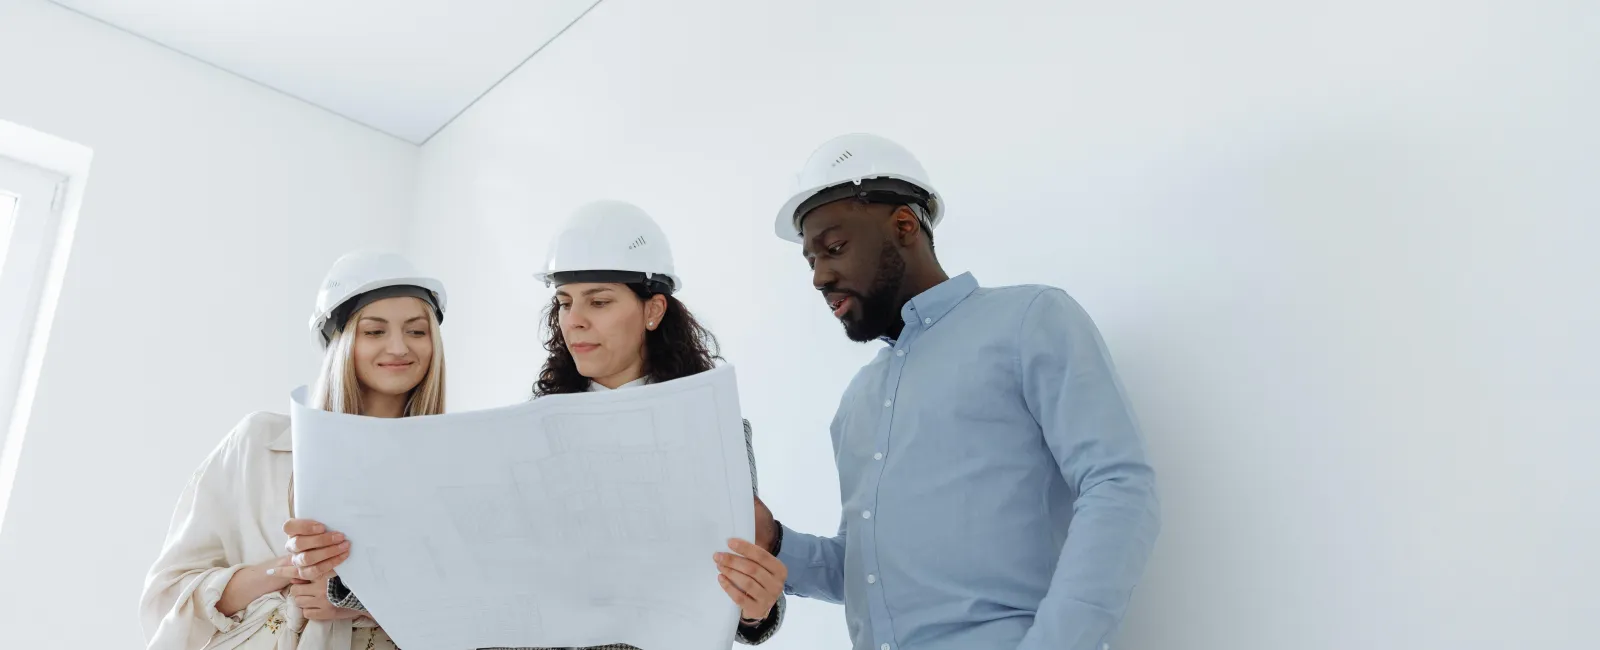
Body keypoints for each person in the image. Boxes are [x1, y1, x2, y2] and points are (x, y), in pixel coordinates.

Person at [289, 200, 786, 649]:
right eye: (566, 302)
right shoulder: (527, 433)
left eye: (599, 300)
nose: (575, 321)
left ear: (653, 309)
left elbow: (741, 585)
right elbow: (468, 569)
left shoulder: (713, 431)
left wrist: (757, 610)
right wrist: (342, 575)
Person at [756, 133, 1162, 650]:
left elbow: (1119, 485)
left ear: (904, 225)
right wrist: (775, 543)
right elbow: (870, 571)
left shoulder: (1029, 320)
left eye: (833, 248)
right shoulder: (857, 401)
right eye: (809, 261)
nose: (819, 277)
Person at [141, 250, 449, 649]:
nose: (398, 348)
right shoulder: (259, 444)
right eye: (374, 331)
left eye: (416, 331)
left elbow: (474, 614)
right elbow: (167, 598)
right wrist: (289, 570)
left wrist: (358, 603)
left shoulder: (451, 468)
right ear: (339, 340)